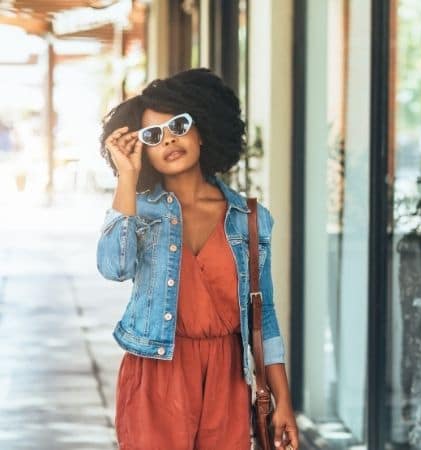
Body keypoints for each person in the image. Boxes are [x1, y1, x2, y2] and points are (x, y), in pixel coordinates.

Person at [95, 68, 298, 450]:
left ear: (201, 130)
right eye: (152, 136)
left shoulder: (249, 218)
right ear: (146, 153)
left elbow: (263, 314)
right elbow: (113, 267)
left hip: (227, 378)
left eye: (178, 125)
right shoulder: (139, 212)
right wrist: (126, 177)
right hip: (156, 371)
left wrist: (283, 399)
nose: (168, 139)